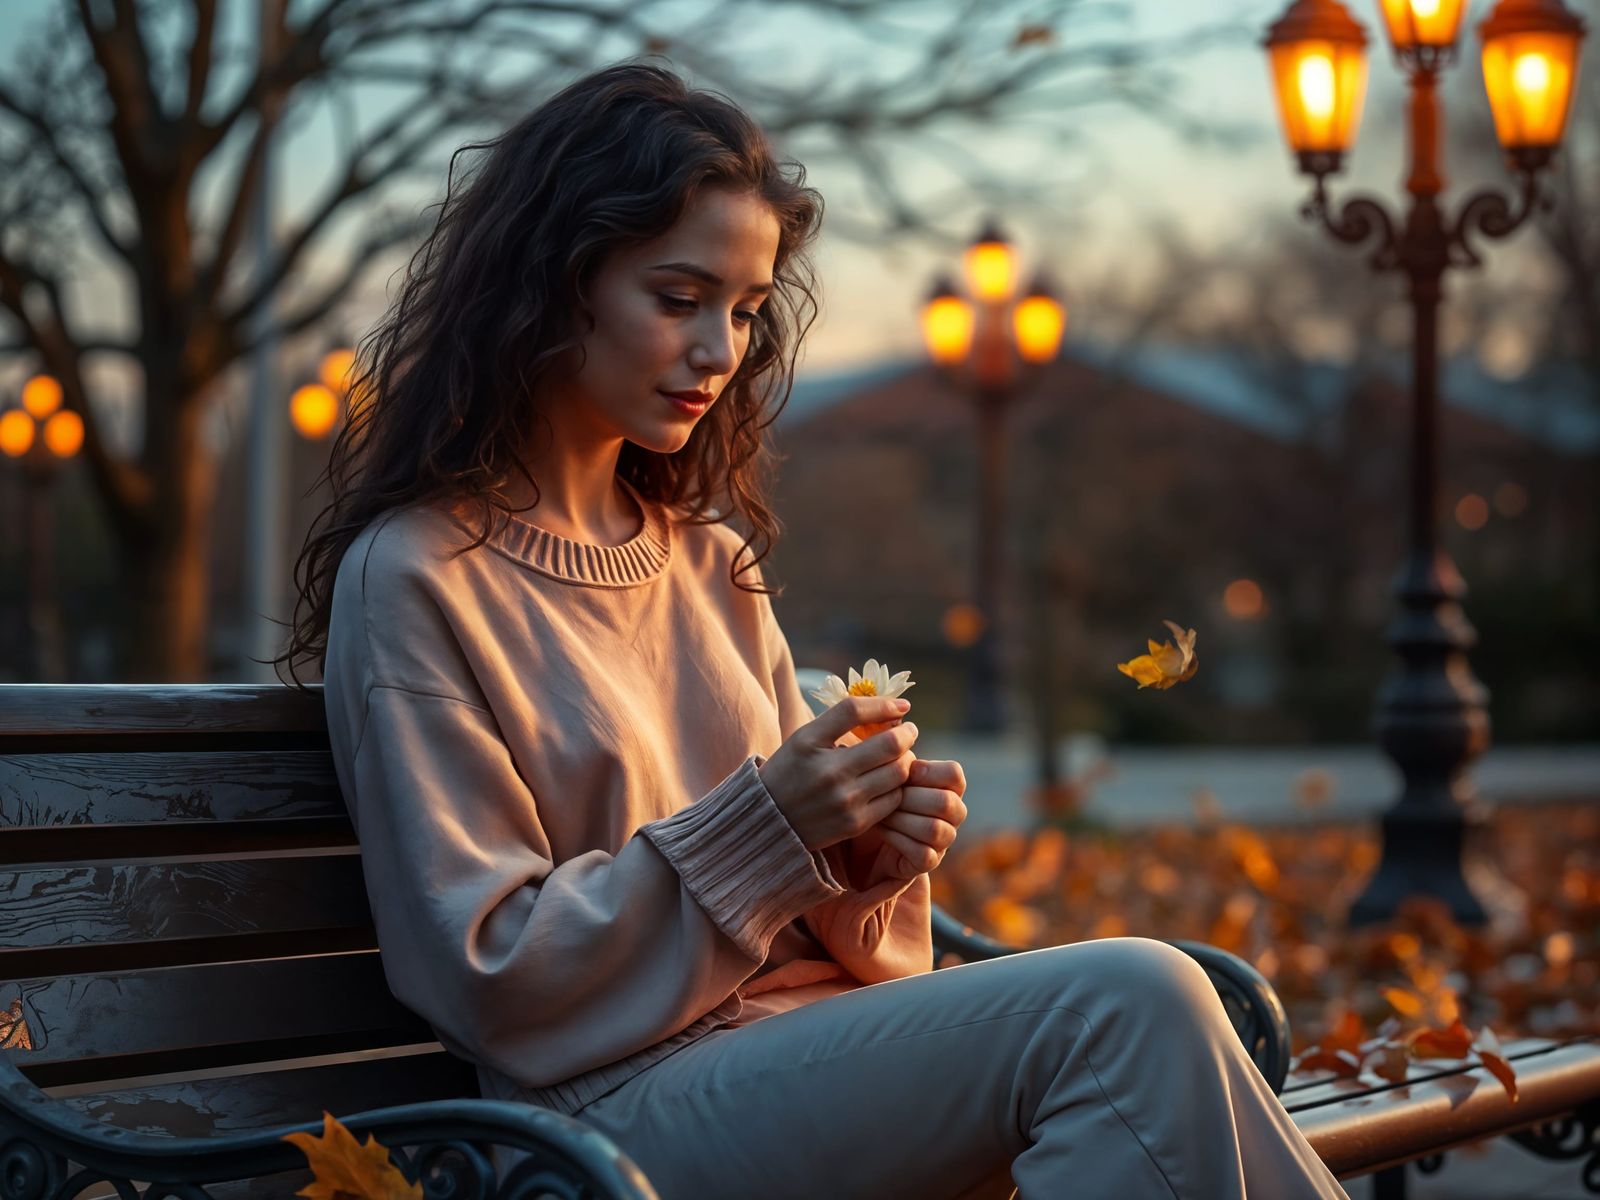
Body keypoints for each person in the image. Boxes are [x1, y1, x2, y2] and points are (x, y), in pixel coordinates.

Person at [276, 60, 1349, 1200]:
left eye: (743, 311)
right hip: (604, 1111)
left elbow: (850, 942)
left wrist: (867, 859)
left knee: (1150, 1016)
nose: (719, 351)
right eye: (677, 299)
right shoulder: (420, 576)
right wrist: (767, 830)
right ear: (547, 285)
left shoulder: (709, 558)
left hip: (803, 1056)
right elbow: (488, 971)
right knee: (1135, 1002)